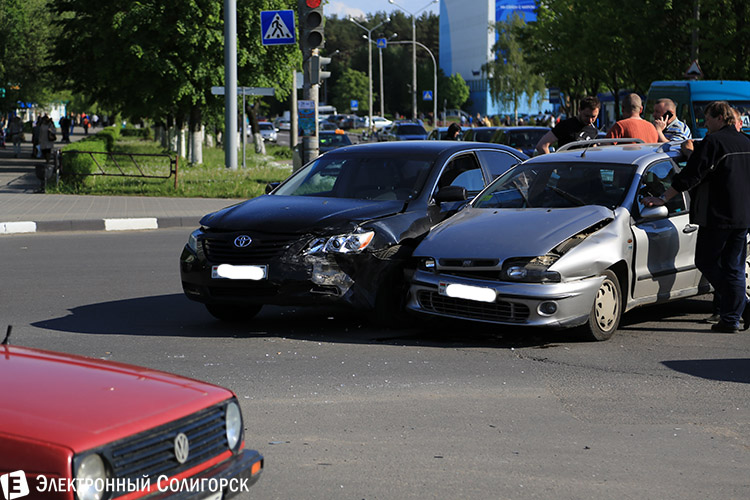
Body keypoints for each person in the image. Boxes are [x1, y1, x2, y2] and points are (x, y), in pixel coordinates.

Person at [643, 101, 750, 333]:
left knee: (706, 261)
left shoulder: (714, 142)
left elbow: (690, 176)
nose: (704, 123)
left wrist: (663, 197)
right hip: (743, 216)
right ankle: (733, 316)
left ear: (720, 118)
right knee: (733, 267)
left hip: (718, 215)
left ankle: (738, 306)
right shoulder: (745, 142)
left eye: (708, 119)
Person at [535, 96, 601, 154]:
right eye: (586, 116)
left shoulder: (593, 130)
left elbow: (593, 152)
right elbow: (542, 145)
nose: (590, 120)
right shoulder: (565, 125)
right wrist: (552, 165)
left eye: (593, 117)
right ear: (579, 110)